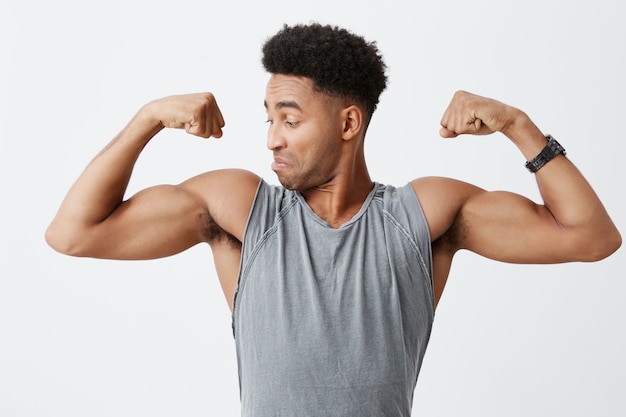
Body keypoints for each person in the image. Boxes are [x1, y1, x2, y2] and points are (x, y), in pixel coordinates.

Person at [46, 23, 621, 416]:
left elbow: (591, 237)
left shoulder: (422, 215)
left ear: (349, 124)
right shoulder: (243, 211)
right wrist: (147, 119)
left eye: (290, 120)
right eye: (268, 118)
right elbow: (73, 234)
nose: (271, 138)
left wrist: (519, 126)